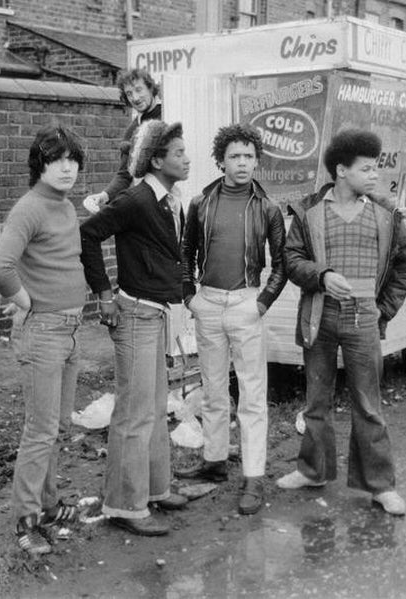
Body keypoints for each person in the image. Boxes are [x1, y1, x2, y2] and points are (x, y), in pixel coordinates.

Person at [276, 129, 406, 516]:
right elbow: (292, 259)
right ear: (341, 170)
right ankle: (312, 471)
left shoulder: (386, 215)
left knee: (368, 404)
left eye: (376, 169)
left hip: (365, 319)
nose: (374, 176)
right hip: (320, 317)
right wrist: (320, 275)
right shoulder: (309, 213)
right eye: (366, 169)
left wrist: (383, 309)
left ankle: (381, 486)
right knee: (316, 401)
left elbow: (404, 265)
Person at [80, 120, 190, 536]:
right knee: (133, 413)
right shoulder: (138, 198)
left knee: (156, 409)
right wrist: (103, 294)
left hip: (157, 313)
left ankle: (156, 489)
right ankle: (125, 505)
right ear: (156, 159)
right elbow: (88, 234)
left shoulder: (168, 199)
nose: (187, 158)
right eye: (178, 153)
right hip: (136, 316)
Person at [175, 124, 287, 515]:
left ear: (257, 161)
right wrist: (190, 296)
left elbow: (282, 264)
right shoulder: (200, 204)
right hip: (207, 303)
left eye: (249, 157)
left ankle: (254, 478)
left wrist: (261, 303)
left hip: (245, 304)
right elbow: (185, 251)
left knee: (253, 396)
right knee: (213, 389)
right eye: (235, 156)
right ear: (221, 160)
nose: (243, 164)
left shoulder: (268, 207)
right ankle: (215, 461)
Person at [0, 125, 88, 556]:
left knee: (58, 427)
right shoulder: (29, 208)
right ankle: (25, 522)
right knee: (40, 430)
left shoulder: (63, 206)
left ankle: (47, 506)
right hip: (43, 332)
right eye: (56, 160)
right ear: (40, 164)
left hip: (70, 331)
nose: (66, 168)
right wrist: (26, 301)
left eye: (72, 160)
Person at [82, 68, 162, 214]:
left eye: (139, 90)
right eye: (129, 93)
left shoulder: (169, 114)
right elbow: (125, 175)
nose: (135, 98)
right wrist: (104, 196)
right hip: (146, 207)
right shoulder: (132, 129)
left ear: (151, 88)